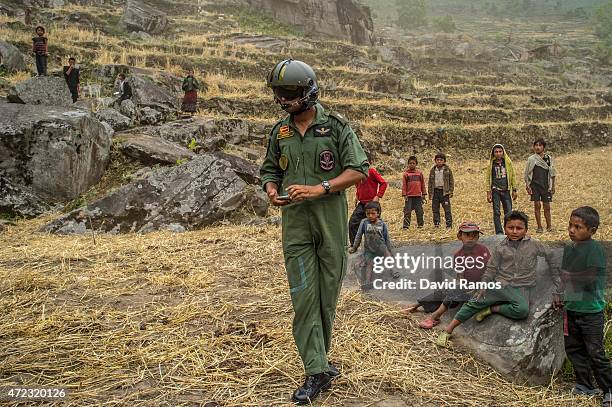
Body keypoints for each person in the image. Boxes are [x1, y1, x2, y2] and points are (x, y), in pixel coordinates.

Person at [259, 59, 369, 404]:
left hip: (330, 219)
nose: (283, 100)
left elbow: (359, 170)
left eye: (289, 93)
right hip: (294, 225)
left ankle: (320, 358)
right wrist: (271, 190)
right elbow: (268, 171)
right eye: (279, 93)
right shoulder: (280, 132)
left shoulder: (336, 128)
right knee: (304, 296)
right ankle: (316, 371)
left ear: (308, 91)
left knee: (326, 294)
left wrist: (322, 187)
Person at [436, 210, 560, 348]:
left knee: (522, 310)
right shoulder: (500, 248)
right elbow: (491, 269)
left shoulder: (534, 245)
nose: (514, 231)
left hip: (521, 286)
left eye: (519, 228)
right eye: (510, 228)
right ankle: (448, 330)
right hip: (500, 283)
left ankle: (493, 309)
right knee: (474, 302)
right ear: (505, 228)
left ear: (526, 230)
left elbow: (551, 256)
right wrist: (483, 286)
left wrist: (556, 280)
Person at [553, 206, 611, 406]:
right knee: (574, 349)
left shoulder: (595, 249)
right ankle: (584, 385)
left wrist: (570, 277)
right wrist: (558, 293)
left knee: (595, 352)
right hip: (572, 308)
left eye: (578, 227)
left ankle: (609, 390)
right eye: (570, 225)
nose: (571, 230)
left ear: (592, 231)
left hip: (591, 311)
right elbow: (563, 274)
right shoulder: (569, 248)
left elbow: (590, 276)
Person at [401, 222, 490, 329]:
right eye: (467, 235)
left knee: (453, 292)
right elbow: (460, 277)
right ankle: (415, 306)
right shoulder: (459, 255)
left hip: (482, 286)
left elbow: (490, 270)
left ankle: (435, 316)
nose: (471, 238)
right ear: (459, 236)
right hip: (467, 287)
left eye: (475, 235)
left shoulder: (483, 250)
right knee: (447, 291)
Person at [349, 201, 397, 289]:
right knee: (369, 264)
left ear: (378, 213)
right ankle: (368, 281)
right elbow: (359, 235)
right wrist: (354, 247)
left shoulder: (382, 224)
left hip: (381, 247)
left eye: (373, 213)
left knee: (388, 256)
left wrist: (390, 250)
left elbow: (386, 238)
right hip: (369, 249)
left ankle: (393, 270)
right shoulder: (364, 223)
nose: (370, 215)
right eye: (368, 213)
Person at [348, 151, 387, 246]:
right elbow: (358, 186)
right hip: (361, 204)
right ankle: (354, 244)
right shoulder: (357, 173)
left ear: (368, 162)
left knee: (374, 226)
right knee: (353, 222)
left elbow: (384, 183)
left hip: (372, 203)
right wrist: (357, 197)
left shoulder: (372, 171)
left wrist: (378, 196)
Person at [524, 138, 556, 233]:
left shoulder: (548, 159)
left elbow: (552, 173)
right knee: (537, 205)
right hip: (535, 185)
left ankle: (549, 226)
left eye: (540, 145)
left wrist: (553, 186)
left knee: (547, 206)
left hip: (546, 185)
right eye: (536, 145)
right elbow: (527, 173)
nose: (538, 147)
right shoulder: (531, 159)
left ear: (543, 147)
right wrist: (528, 186)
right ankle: (539, 226)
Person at [486, 144, 517, 235]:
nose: (498, 153)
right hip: (495, 190)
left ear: (503, 152)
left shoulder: (507, 163)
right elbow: (488, 178)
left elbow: (513, 176)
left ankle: (509, 230)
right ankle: (499, 232)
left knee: (509, 212)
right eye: (496, 152)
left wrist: (514, 189)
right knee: (496, 212)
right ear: (493, 153)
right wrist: (488, 192)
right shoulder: (491, 164)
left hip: (506, 190)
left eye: (500, 151)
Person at [428, 152, 454, 229]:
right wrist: (430, 193)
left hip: (444, 192)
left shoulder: (447, 170)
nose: (439, 161)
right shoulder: (433, 170)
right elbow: (430, 182)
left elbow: (451, 181)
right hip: (435, 192)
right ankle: (437, 224)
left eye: (441, 160)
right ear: (435, 161)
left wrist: (451, 191)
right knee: (435, 209)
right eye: (437, 160)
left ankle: (449, 225)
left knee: (447, 209)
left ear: (444, 161)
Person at [402, 155, 426, 229]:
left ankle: (420, 225)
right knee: (407, 211)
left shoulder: (419, 173)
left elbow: (422, 184)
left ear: (416, 164)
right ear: (408, 164)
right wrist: (404, 195)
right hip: (409, 196)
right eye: (410, 163)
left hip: (418, 196)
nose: (412, 165)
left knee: (419, 211)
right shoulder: (406, 174)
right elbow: (404, 185)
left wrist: (424, 194)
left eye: (413, 163)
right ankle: (406, 226)